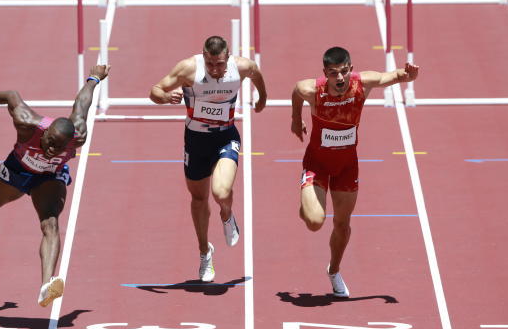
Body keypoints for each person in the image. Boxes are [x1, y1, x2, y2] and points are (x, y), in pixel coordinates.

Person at [0, 64, 110, 307]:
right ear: (46, 131)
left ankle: (46, 285)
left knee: (50, 224)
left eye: (58, 148)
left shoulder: (78, 135)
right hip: (18, 171)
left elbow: (83, 103)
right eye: (49, 142)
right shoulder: (26, 122)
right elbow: (11, 95)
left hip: (48, 177)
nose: (52, 149)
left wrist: (95, 78)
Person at [291, 46, 419, 297]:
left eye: (343, 72)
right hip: (317, 164)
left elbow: (389, 76)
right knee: (315, 222)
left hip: (347, 166)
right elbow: (296, 91)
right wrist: (296, 119)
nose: (339, 79)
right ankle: (307, 203)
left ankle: (334, 270)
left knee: (342, 223)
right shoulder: (312, 90)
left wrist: (408, 77)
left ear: (351, 69)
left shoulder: (363, 83)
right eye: (333, 73)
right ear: (325, 73)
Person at [149, 36, 268, 282]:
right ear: (203, 57)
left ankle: (227, 214)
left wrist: (263, 98)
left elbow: (257, 74)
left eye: (220, 64)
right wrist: (163, 98)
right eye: (210, 64)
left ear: (228, 58)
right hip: (195, 141)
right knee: (199, 198)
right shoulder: (188, 69)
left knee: (221, 192)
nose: (215, 70)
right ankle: (205, 252)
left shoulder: (241, 67)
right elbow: (155, 90)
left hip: (225, 138)